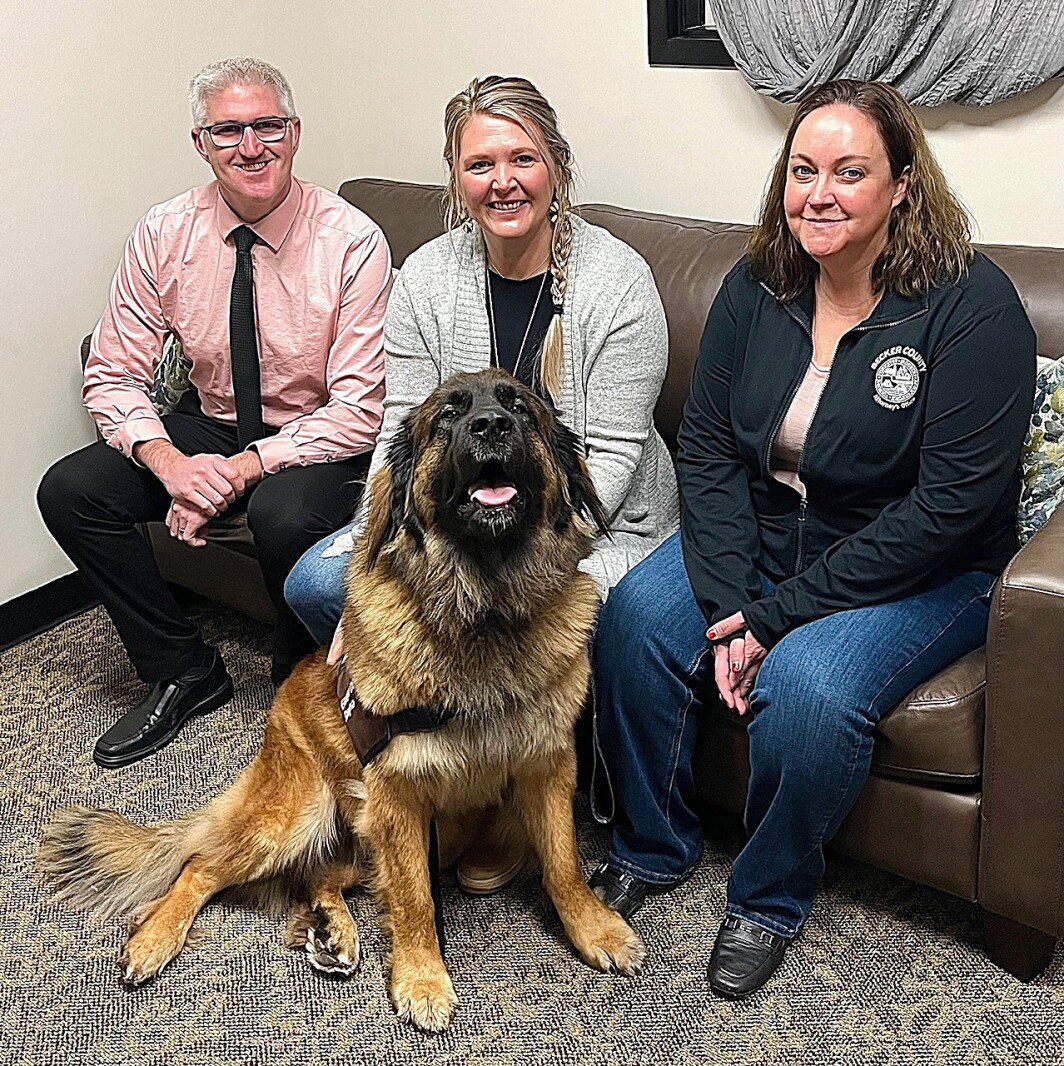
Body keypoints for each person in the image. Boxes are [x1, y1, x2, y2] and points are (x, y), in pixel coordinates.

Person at [589, 79, 1036, 998]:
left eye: (849, 172)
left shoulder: (974, 306)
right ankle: (653, 843)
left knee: (810, 683)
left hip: (922, 562)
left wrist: (776, 618)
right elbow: (708, 445)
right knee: (634, 619)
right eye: (802, 171)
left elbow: (949, 508)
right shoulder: (761, 280)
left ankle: (767, 900)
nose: (818, 194)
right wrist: (728, 607)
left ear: (903, 185)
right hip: (765, 526)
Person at [282, 74, 679, 893]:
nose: (503, 181)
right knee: (320, 581)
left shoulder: (618, 283)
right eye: (480, 163)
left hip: (589, 526)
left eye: (523, 158)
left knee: (546, 616)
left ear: (557, 169)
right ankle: (460, 787)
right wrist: (369, 568)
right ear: (455, 178)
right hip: (459, 523)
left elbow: (605, 461)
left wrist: (527, 575)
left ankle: (507, 806)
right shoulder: (426, 277)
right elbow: (401, 438)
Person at [37, 57, 392, 769]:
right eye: (228, 130)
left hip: (316, 431)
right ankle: (183, 669)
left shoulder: (352, 241)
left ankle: (302, 674)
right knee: (72, 491)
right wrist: (169, 463)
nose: (250, 146)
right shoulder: (165, 231)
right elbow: (111, 372)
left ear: (295, 133)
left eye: (267, 126)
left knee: (282, 513)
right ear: (201, 143)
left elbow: (361, 408)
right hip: (215, 418)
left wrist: (240, 471)